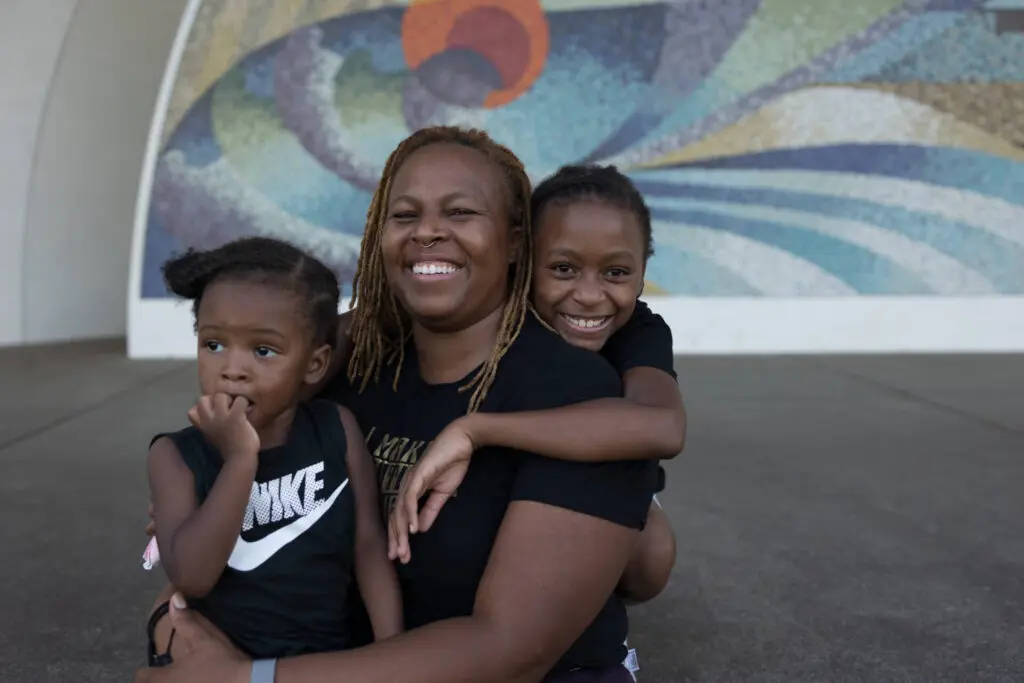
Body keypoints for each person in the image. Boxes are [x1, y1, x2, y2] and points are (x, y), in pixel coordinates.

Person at [134, 125, 658, 683]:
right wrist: (179, 620)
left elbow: (508, 650)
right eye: (404, 216)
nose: (428, 231)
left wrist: (250, 677)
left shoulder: (579, 401)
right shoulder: (346, 373)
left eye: (460, 214)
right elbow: (230, 517)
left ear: (513, 241)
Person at [388, 164, 684, 605]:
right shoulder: (490, 310)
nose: (589, 294)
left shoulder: (640, 330)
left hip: (591, 473)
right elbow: (358, 326)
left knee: (652, 554)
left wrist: (478, 429)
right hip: (491, 477)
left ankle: (579, 605)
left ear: (643, 270)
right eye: (563, 269)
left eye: (616, 273)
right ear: (524, 260)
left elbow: (662, 427)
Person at [144, 237, 402, 667]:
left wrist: (394, 654)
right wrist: (241, 460)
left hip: (323, 660)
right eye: (214, 344)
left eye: (263, 351)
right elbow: (193, 576)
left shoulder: (336, 428)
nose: (232, 369)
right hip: (217, 664)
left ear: (315, 364)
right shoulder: (174, 456)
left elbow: (368, 547)